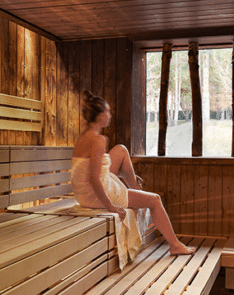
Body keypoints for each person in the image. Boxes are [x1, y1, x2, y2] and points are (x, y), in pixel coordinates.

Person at [71, 90, 194, 255]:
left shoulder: (83, 137)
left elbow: (91, 172)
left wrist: (120, 177)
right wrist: (111, 207)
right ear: (100, 116)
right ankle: (175, 245)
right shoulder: (98, 140)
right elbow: (94, 178)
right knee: (155, 200)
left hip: (83, 194)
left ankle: (134, 189)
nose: (110, 115)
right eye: (107, 111)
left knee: (121, 150)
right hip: (93, 195)